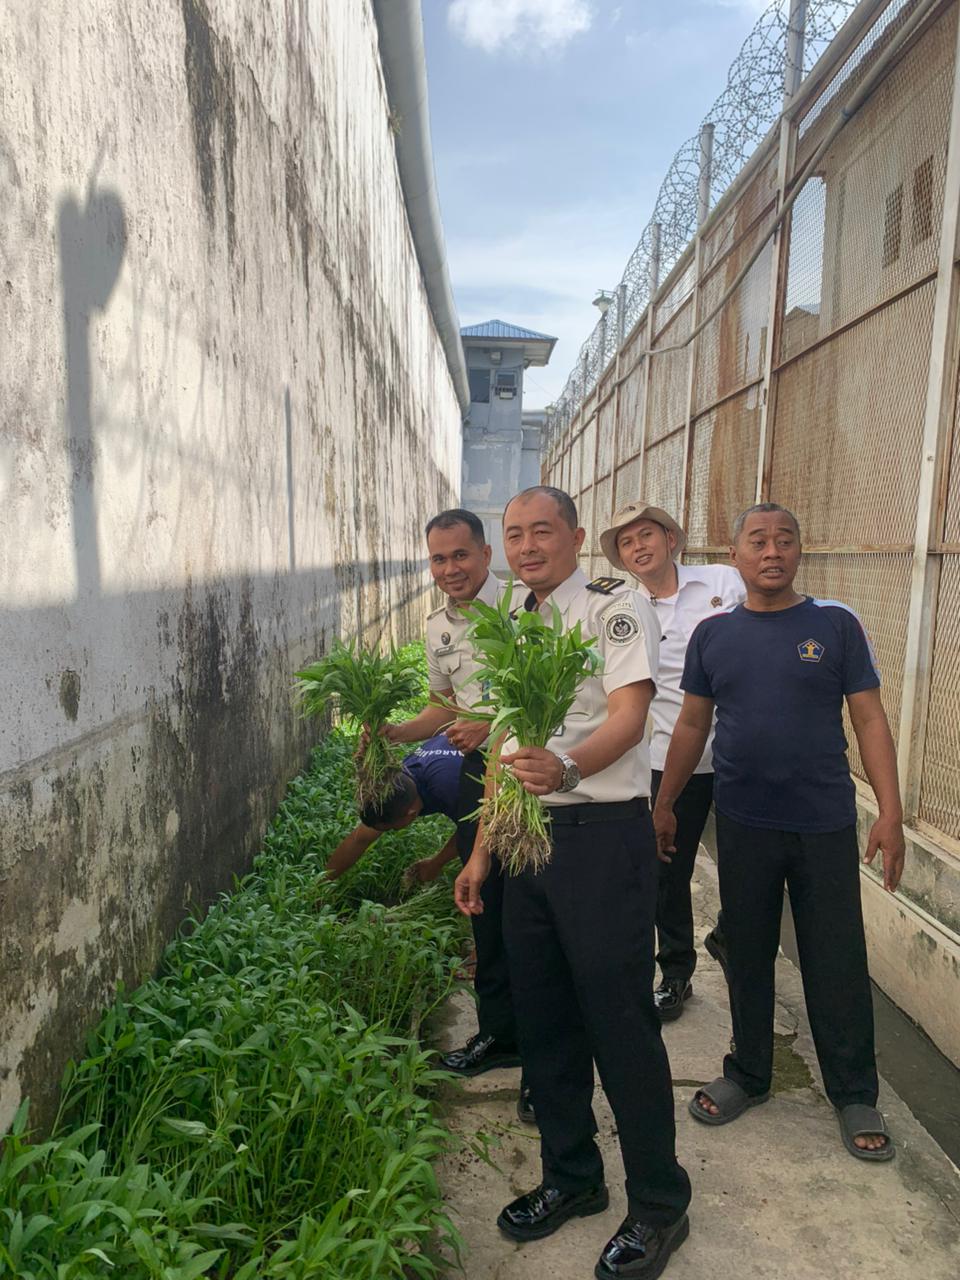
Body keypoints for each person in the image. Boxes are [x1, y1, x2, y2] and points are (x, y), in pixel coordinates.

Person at [456, 486, 691, 1280]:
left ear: (577, 536)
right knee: (546, 1016)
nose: (527, 547)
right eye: (514, 535)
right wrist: (482, 852)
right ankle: (572, 1177)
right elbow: (504, 741)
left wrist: (570, 766)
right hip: (528, 842)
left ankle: (659, 1203)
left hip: (599, 837)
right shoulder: (514, 620)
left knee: (618, 1021)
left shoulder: (612, 603)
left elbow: (631, 712)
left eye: (542, 532)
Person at [652, 502, 905, 1161]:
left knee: (836, 957)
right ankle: (750, 1072)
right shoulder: (714, 637)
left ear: (800, 551)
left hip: (822, 822)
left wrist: (890, 810)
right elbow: (690, 726)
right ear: (735, 558)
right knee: (748, 949)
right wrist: (667, 802)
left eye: (784, 540)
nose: (772, 552)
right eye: (758, 541)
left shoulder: (835, 626)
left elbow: (870, 721)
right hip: (744, 822)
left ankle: (854, 1092)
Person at [384, 509, 523, 1085]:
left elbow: (551, 704)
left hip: (534, 773)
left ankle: (548, 1054)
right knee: (486, 906)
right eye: (438, 558)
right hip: (476, 774)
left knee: (534, 914)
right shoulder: (437, 627)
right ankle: (499, 1036)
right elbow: (445, 707)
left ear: (486, 554)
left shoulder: (525, 609)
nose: (449, 569)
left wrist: (492, 727)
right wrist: (395, 732)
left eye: (460, 555)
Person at [599, 501, 745, 1021]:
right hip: (667, 757)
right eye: (626, 543)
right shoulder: (623, 609)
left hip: (737, 753)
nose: (638, 547)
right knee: (667, 871)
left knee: (749, 863)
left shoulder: (722, 582)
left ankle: (731, 934)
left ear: (670, 539)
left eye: (646, 535)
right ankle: (675, 972)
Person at [323, 734, 464, 882]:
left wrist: (436, 863)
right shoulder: (395, 781)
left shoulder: (450, 788)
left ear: (411, 814)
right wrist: (321, 885)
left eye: (392, 828)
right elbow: (361, 839)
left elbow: (474, 828)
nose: (390, 831)